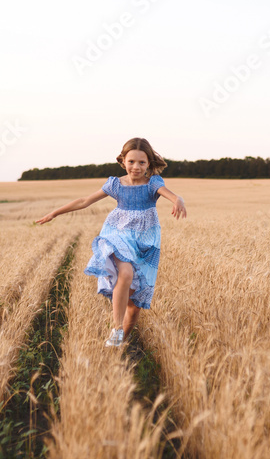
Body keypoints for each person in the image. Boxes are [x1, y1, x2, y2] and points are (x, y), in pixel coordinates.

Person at [35, 138, 187, 347]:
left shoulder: (153, 183)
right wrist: (55, 212)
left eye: (142, 163)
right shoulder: (115, 184)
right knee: (125, 274)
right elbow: (84, 201)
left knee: (134, 307)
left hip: (145, 240)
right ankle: (116, 328)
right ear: (123, 161)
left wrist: (178, 199)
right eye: (131, 161)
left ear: (149, 164)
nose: (136, 167)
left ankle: (120, 340)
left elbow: (169, 195)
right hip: (118, 232)